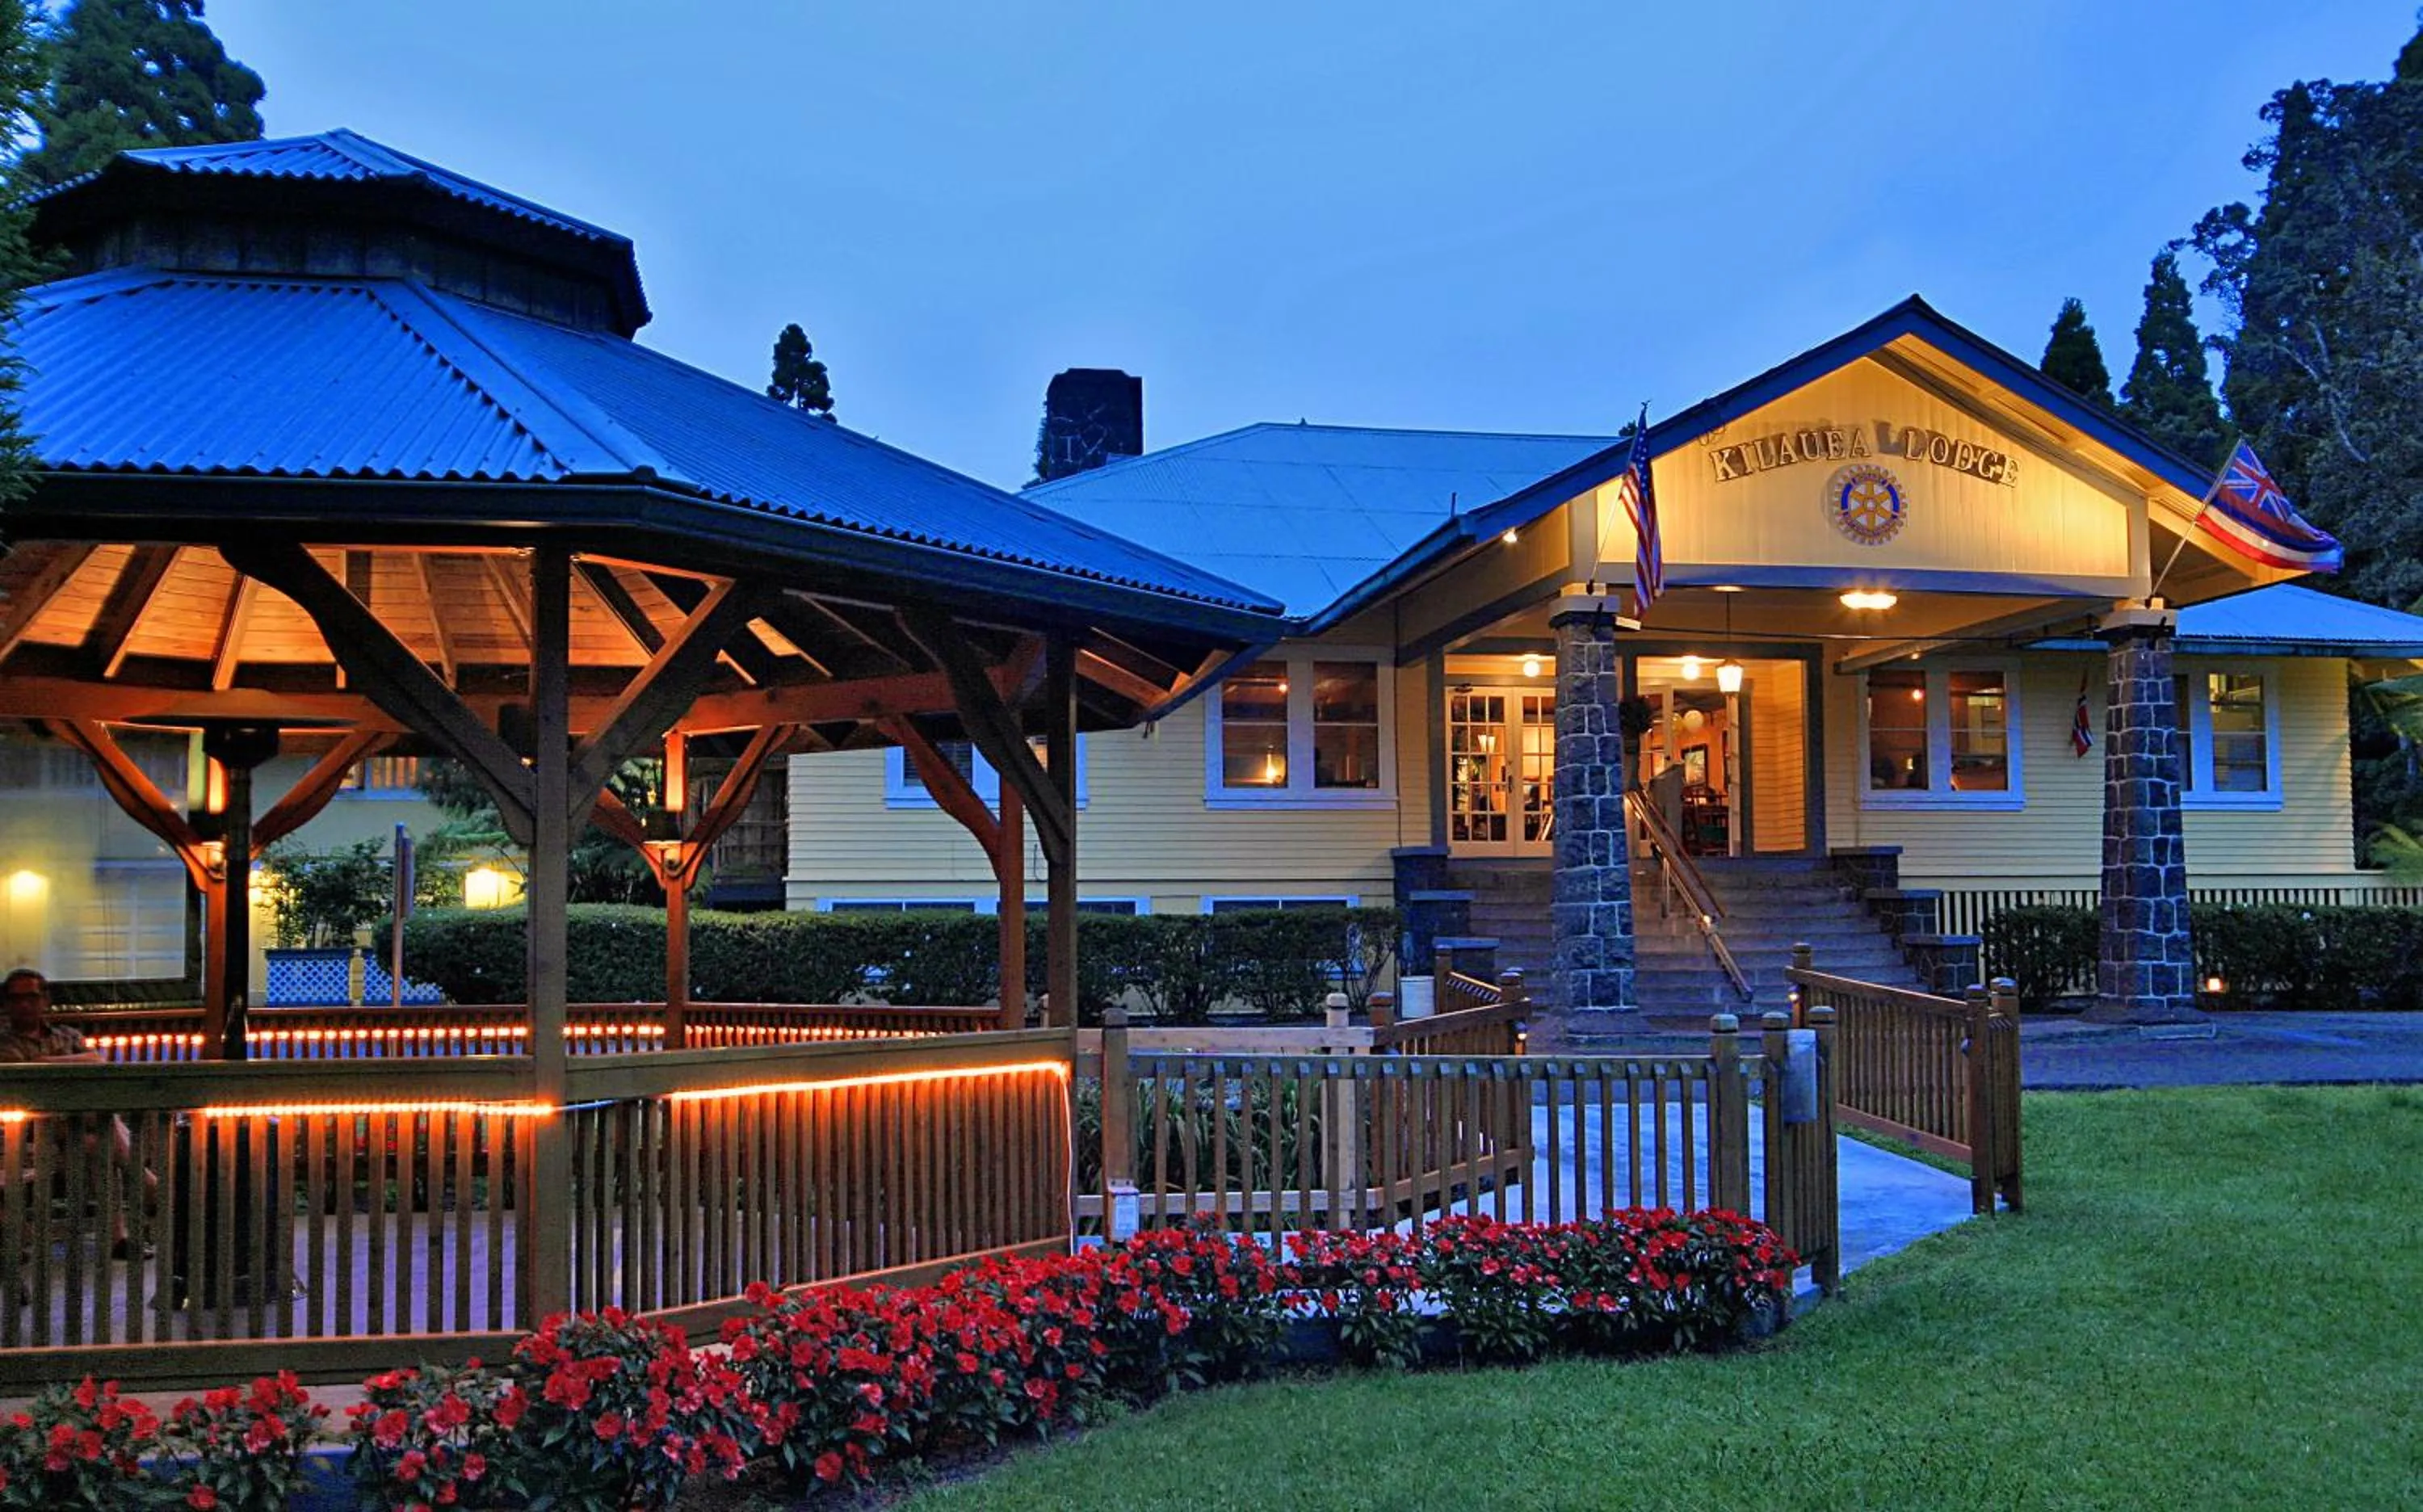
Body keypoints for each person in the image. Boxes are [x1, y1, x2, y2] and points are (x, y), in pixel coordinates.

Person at [0, 967, 155, 1256]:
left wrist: (41, 1061)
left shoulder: (66, 1035)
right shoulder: (4, 1042)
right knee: (100, 1127)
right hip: (27, 1134)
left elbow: (96, 1060)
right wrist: (61, 1064)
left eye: (31, 997)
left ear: (45, 1000)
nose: (24, 1004)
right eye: (16, 998)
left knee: (97, 1146)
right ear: (6, 1003)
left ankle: (118, 1238)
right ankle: (144, 1181)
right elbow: (22, 1079)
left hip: (77, 1132)